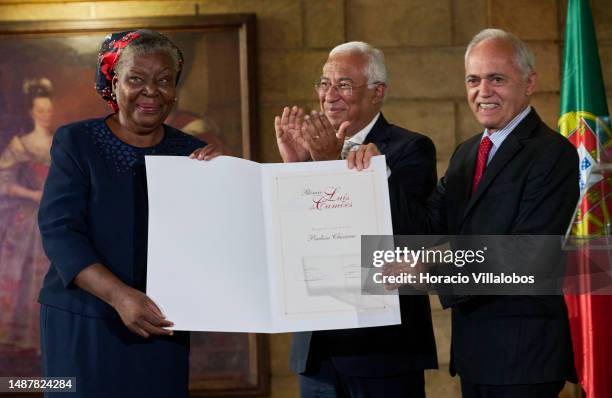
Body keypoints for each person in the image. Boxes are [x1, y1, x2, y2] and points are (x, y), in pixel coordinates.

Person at [357, 29, 579, 398]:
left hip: (524, 359)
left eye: (497, 79)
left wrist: (430, 269)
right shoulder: (467, 154)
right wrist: (383, 177)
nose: (483, 91)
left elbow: (529, 257)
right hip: (478, 355)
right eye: (473, 80)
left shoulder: (551, 153)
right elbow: (427, 227)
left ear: (529, 83)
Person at [37, 30, 220, 397]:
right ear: (113, 81)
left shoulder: (194, 153)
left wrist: (220, 185)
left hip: (159, 324)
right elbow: (60, 232)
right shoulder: (77, 141)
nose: (151, 91)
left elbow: (210, 242)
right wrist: (121, 297)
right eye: (136, 79)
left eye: (164, 80)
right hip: (83, 321)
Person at [274, 41, 438, 398]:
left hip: (383, 352)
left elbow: (416, 235)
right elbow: (290, 243)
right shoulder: (307, 150)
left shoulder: (410, 148)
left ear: (377, 92)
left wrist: (333, 165)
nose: (329, 96)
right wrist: (297, 169)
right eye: (324, 83)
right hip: (316, 352)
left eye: (343, 85)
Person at [0, 78, 54, 354]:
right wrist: (33, 195)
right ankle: (23, 336)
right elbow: (3, 181)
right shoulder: (21, 144)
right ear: (32, 112)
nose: (46, 114)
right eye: (41, 110)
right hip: (27, 219)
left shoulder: (60, 142)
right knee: (24, 273)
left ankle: (49, 336)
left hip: (55, 218)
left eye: (49, 110)